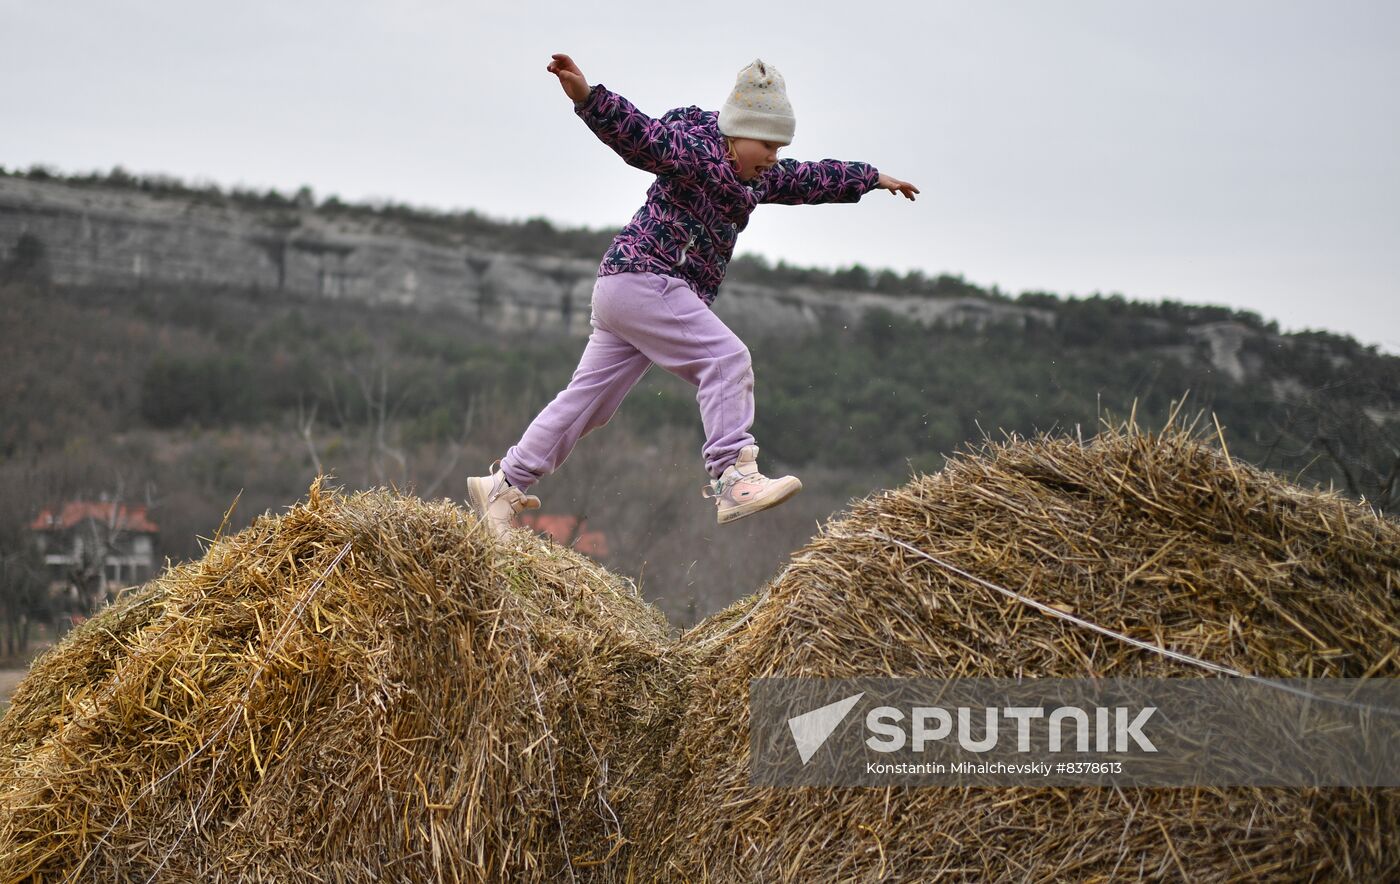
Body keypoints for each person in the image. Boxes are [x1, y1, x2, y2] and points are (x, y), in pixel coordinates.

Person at [468, 53, 919, 539]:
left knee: (588, 404)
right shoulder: (694, 150)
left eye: (780, 145)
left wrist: (870, 178)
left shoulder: (757, 177)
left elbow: (808, 178)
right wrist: (589, 98)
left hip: (623, 287)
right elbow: (641, 136)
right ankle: (734, 476)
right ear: (734, 133)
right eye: (766, 143)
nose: (773, 156)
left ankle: (504, 486)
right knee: (726, 360)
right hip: (648, 278)